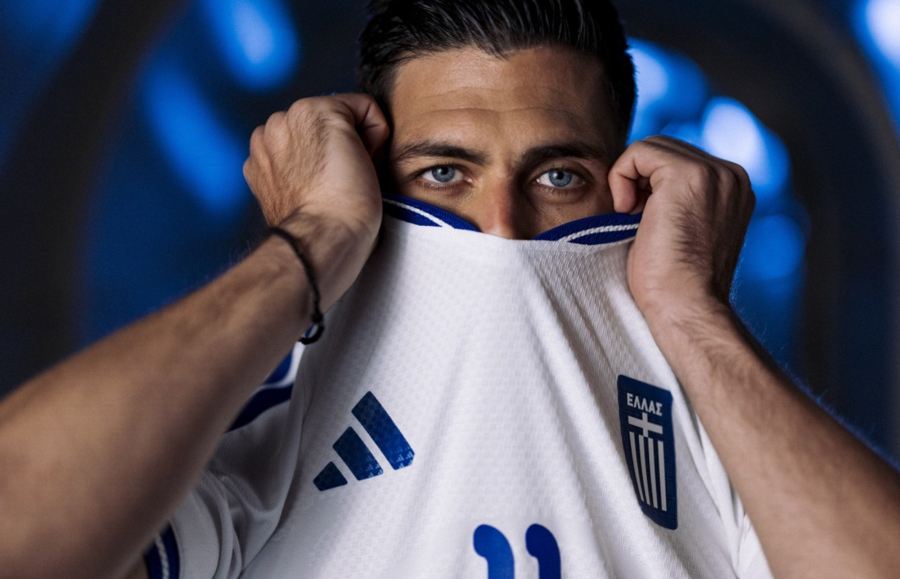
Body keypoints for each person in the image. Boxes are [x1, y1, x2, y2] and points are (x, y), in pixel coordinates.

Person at [0, 1, 898, 578]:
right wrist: (311, 239)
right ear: (370, 183)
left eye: (557, 177)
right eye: (443, 174)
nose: (500, 226)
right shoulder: (270, 434)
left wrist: (693, 314)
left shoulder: (720, 444)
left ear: (628, 191)